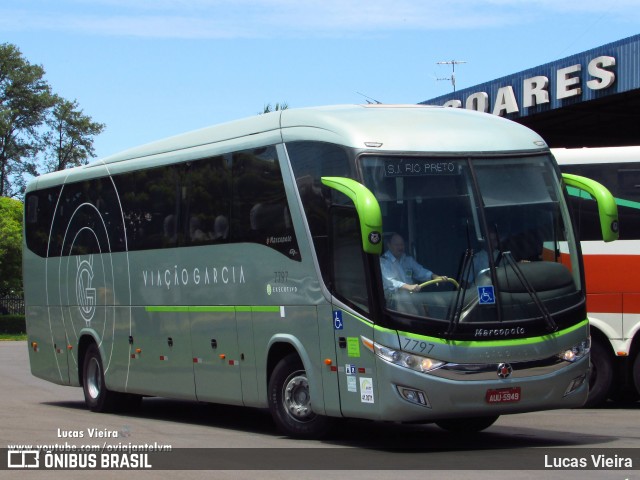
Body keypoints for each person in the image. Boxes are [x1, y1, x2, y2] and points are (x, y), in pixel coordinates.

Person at [380, 233, 446, 295]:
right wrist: (408, 287)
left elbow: (420, 271)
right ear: (389, 245)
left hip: (410, 299)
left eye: (402, 244)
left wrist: (434, 276)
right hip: (392, 302)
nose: (400, 247)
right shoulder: (383, 261)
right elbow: (390, 282)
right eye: (397, 245)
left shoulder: (408, 260)